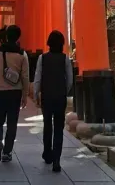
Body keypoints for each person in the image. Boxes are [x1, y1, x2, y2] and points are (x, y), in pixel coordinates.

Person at [0, 24, 29, 164]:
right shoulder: (22, 54)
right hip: (15, 93)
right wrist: (25, 95)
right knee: (12, 123)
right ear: (18, 37)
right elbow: (25, 76)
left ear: (6, 36)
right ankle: (7, 152)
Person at [34, 30, 73, 173]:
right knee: (58, 128)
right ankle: (57, 160)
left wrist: (35, 93)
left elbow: (38, 77)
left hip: (47, 96)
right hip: (59, 97)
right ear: (62, 44)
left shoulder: (42, 58)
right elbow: (69, 80)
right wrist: (64, 91)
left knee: (47, 125)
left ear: (49, 43)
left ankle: (47, 153)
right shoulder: (65, 59)